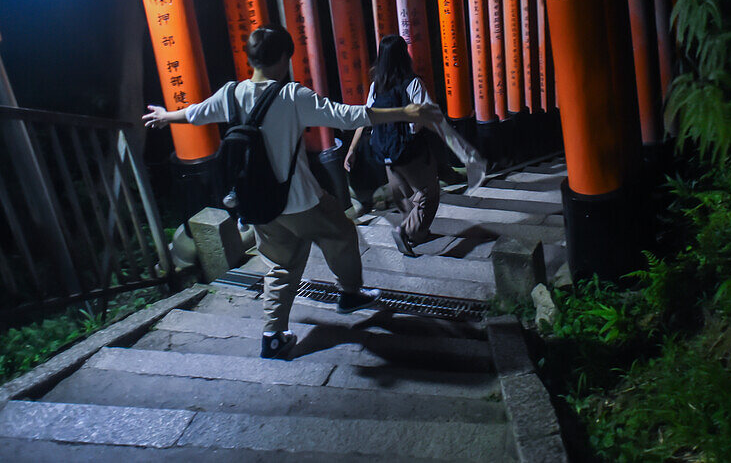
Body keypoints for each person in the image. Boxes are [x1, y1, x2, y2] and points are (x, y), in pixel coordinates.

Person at [143, 25, 440, 360]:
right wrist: (404, 111)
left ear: (251, 58)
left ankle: (272, 335)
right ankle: (350, 294)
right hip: (300, 200)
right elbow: (346, 116)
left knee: (281, 266)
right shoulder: (293, 97)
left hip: (257, 205)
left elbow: (197, 113)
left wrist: (167, 116)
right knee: (342, 233)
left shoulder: (230, 94)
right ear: (284, 58)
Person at [344, 34, 486, 257]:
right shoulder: (413, 84)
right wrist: (461, 150)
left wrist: (351, 150)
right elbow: (431, 118)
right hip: (411, 153)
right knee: (428, 194)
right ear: (404, 57)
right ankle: (406, 231)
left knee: (404, 196)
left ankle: (417, 234)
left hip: (387, 154)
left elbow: (365, 118)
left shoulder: (376, 86)